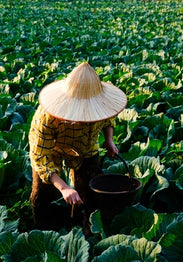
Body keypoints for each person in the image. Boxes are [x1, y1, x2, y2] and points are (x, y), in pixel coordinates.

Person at [28, 62, 128, 232]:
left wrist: (109, 140)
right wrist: (64, 188)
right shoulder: (46, 117)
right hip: (53, 149)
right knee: (42, 193)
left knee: (91, 191)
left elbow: (109, 120)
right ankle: (44, 230)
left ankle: (89, 230)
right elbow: (40, 157)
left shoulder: (102, 105)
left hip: (86, 146)